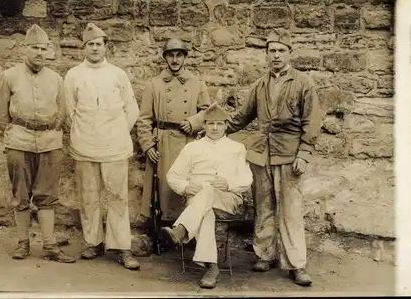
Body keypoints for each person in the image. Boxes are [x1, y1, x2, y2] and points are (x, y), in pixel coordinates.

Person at [225, 28, 322, 286]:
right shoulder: (259, 85)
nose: (276, 55)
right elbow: (240, 117)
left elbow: (312, 122)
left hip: (290, 156)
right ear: (266, 55)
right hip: (261, 155)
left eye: (281, 50)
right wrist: (211, 126)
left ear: (290, 53)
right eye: (272, 51)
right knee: (263, 206)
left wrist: (305, 153)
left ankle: (296, 264)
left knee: (290, 210)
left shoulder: (304, 83)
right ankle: (264, 255)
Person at [0, 24, 75, 263]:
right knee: (20, 194)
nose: (40, 52)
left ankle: (49, 245)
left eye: (43, 48)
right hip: (19, 141)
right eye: (35, 48)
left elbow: (62, 111)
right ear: (24, 49)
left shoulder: (56, 79)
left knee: (47, 195)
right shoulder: (8, 76)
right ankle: (22, 242)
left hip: (49, 142)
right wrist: (18, 129)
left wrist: (51, 128)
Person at [64, 23, 140, 270]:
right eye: (90, 44)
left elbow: (132, 108)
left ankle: (121, 247)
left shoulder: (118, 74)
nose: (95, 48)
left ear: (106, 47)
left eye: (99, 44)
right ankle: (92, 242)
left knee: (118, 197)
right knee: (89, 197)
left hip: (115, 147)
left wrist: (118, 133)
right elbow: (69, 111)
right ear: (83, 48)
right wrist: (82, 134)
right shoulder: (74, 75)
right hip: (85, 145)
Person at [160, 103, 253, 289]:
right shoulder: (192, 148)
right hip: (198, 201)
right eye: (211, 124)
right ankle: (212, 268)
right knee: (206, 212)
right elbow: (173, 175)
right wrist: (186, 187)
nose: (215, 128)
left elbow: (247, 178)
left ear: (226, 125)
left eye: (219, 124)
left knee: (209, 191)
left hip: (228, 200)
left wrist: (229, 184)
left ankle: (181, 230)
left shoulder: (237, 148)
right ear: (204, 125)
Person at [137, 38, 211, 223]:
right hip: (164, 143)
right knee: (165, 186)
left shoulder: (197, 83)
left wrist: (194, 122)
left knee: (189, 183)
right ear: (165, 58)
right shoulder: (154, 84)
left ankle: (188, 228)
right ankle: (164, 231)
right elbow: (144, 119)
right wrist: (148, 146)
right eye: (171, 55)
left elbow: (208, 113)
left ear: (185, 57)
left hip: (189, 141)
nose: (175, 60)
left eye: (179, 55)